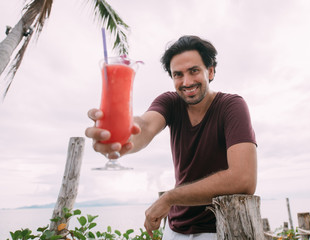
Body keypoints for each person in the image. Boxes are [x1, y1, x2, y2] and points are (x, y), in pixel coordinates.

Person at [85, 35, 257, 240]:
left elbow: (244, 179)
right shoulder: (170, 102)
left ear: (210, 72)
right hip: (174, 230)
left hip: (220, 230)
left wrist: (170, 198)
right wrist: (121, 135)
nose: (186, 82)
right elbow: (145, 126)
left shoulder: (232, 106)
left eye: (194, 71)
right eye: (178, 74)